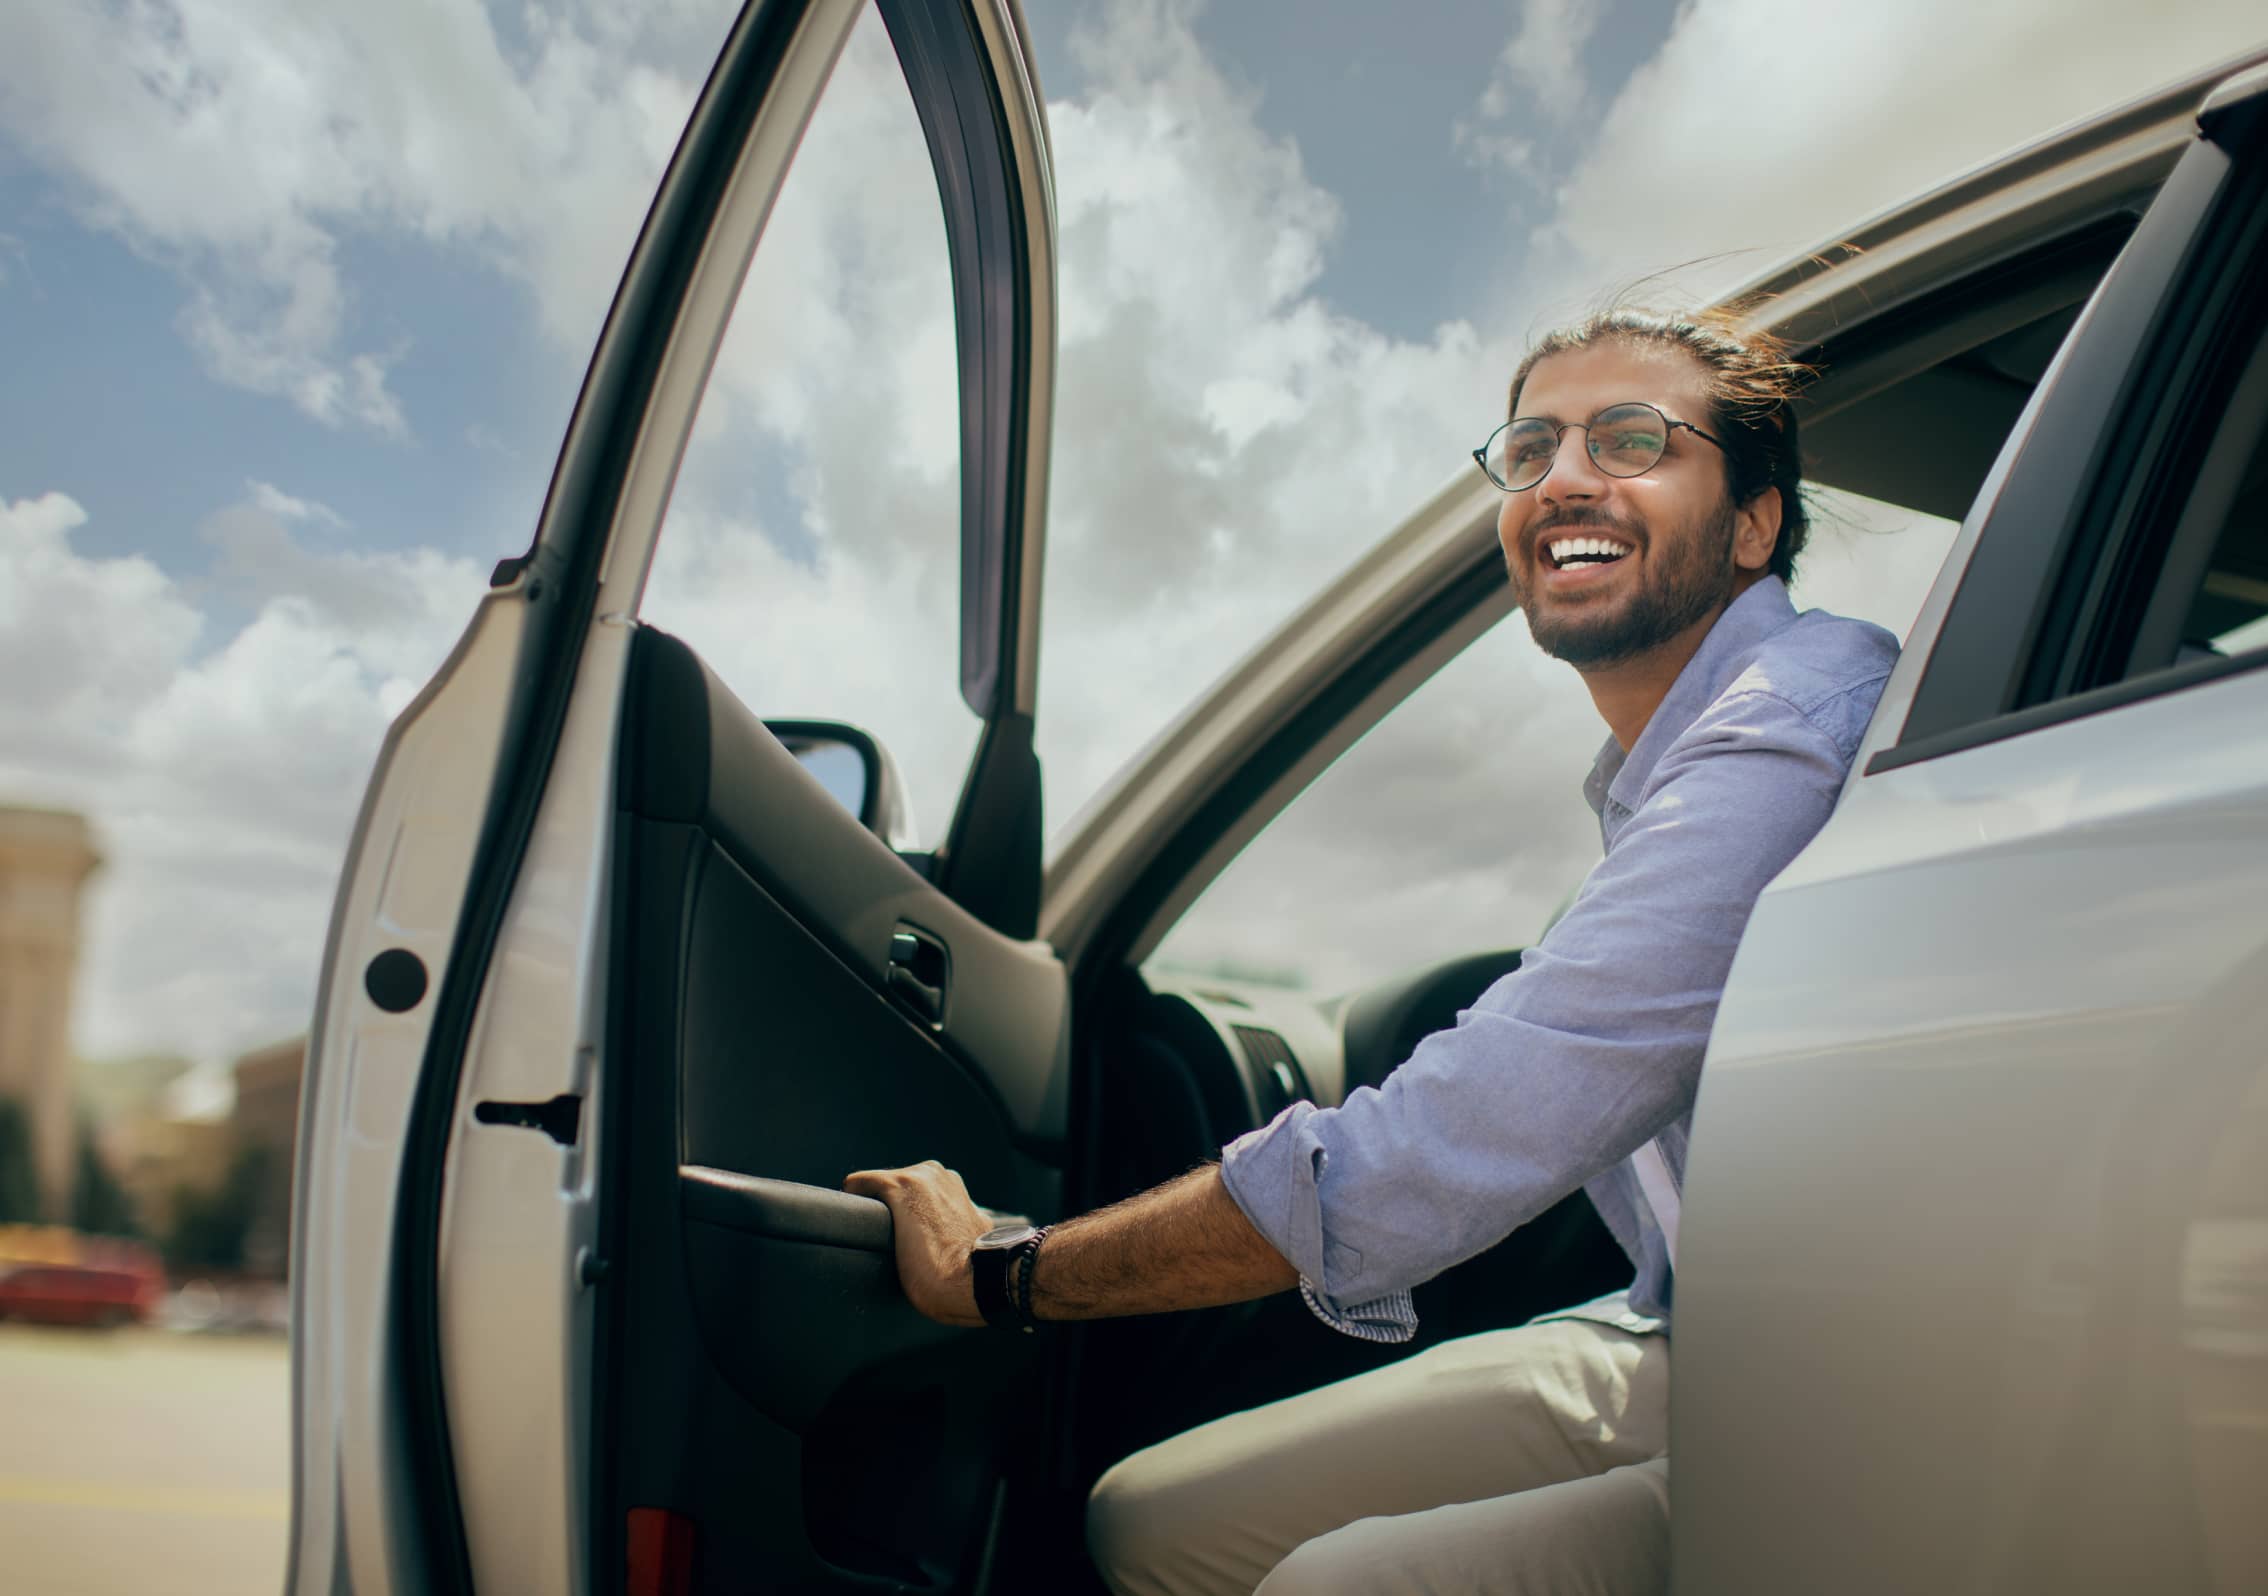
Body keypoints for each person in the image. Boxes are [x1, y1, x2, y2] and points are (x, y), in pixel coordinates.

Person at [846, 305, 1902, 1595]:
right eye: (1532, 449)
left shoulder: (1792, 726)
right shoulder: (1657, 779)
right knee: (1147, 1519)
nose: (1566, 476)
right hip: (1687, 1335)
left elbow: (1469, 1127)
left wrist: (1004, 1275)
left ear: (1752, 525)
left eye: (1634, 440)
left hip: (1857, 1387)